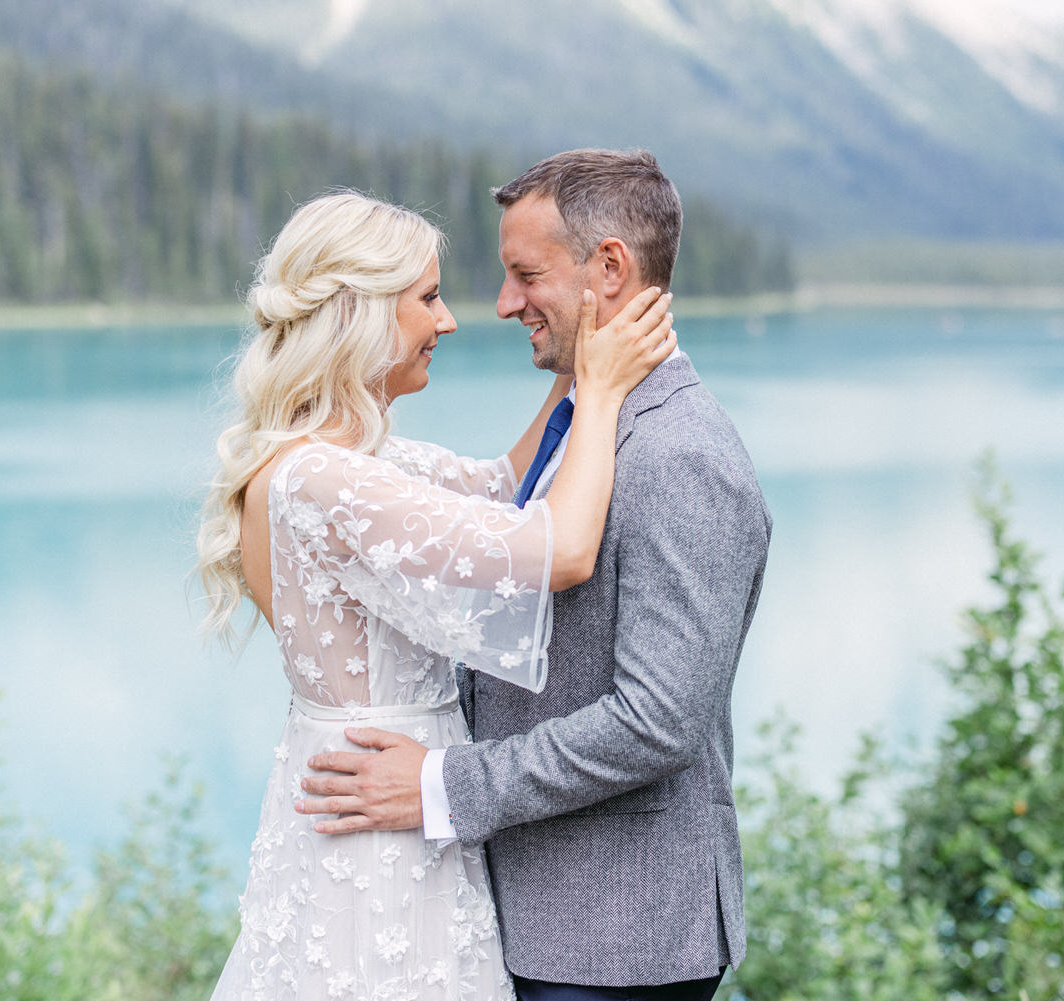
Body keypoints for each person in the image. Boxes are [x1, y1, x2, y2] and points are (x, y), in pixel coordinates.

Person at [298, 150, 772, 1001]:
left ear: (611, 269)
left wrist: (441, 783)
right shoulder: (588, 422)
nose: (504, 303)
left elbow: (657, 724)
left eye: (525, 275)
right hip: (539, 919)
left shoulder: (681, 457)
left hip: (616, 941)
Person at [196, 189, 676, 1001]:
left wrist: (580, 361)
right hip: (380, 832)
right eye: (426, 298)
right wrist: (598, 398)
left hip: (367, 805)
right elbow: (559, 548)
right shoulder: (324, 480)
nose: (449, 319)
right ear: (357, 314)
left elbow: (502, 486)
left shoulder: (345, 461)